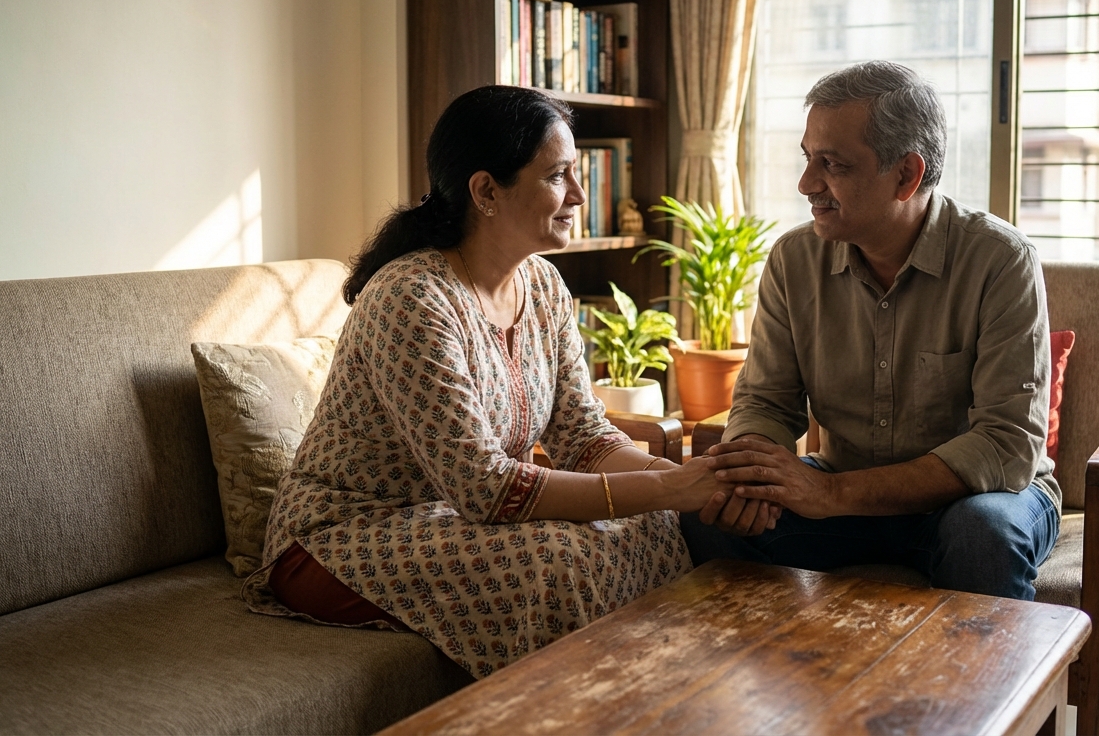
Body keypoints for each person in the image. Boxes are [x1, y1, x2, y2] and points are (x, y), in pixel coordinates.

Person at [242, 86, 775, 679]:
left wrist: (689, 483)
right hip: (343, 537)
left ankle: (659, 702)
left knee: (647, 522)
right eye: (559, 176)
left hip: (450, 520)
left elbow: (586, 438)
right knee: (558, 561)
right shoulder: (410, 298)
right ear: (486, 191)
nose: (578, 196)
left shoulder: (544, 285)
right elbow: (485, 490)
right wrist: (675, 491)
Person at [680, 61, 1061, 601]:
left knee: (983, 535)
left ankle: (983, 689)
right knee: (711, 516)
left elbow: (1006, 444)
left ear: (906, 174)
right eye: (808, 159)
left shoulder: (1000, 260)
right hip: (843, 496)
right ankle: (798, 678)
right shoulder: (794, 259)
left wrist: (832, 491)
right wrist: (754, 474)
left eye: (831, 164)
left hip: (979, 498)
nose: (807, 184)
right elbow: (766, 401)